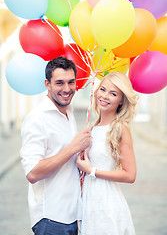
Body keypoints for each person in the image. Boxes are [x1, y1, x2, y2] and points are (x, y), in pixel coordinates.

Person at [20, 56, 92, 235]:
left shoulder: (68, 110)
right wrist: (73, 148)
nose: (67, 89)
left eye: (71, 82)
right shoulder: (37, 118)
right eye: (59, 83)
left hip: (72, 215)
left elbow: (65, 157)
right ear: (47, 84)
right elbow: (32, 173)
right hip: (51, 219)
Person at [76, 71, 138, 235]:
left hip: (107, 204)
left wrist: (92, 171)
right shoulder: (92, 128)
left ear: (120, 101)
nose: (105, 96)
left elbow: (130, 175)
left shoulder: (119, 129)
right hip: (90, 203)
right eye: (103, 89)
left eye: (113, 93)